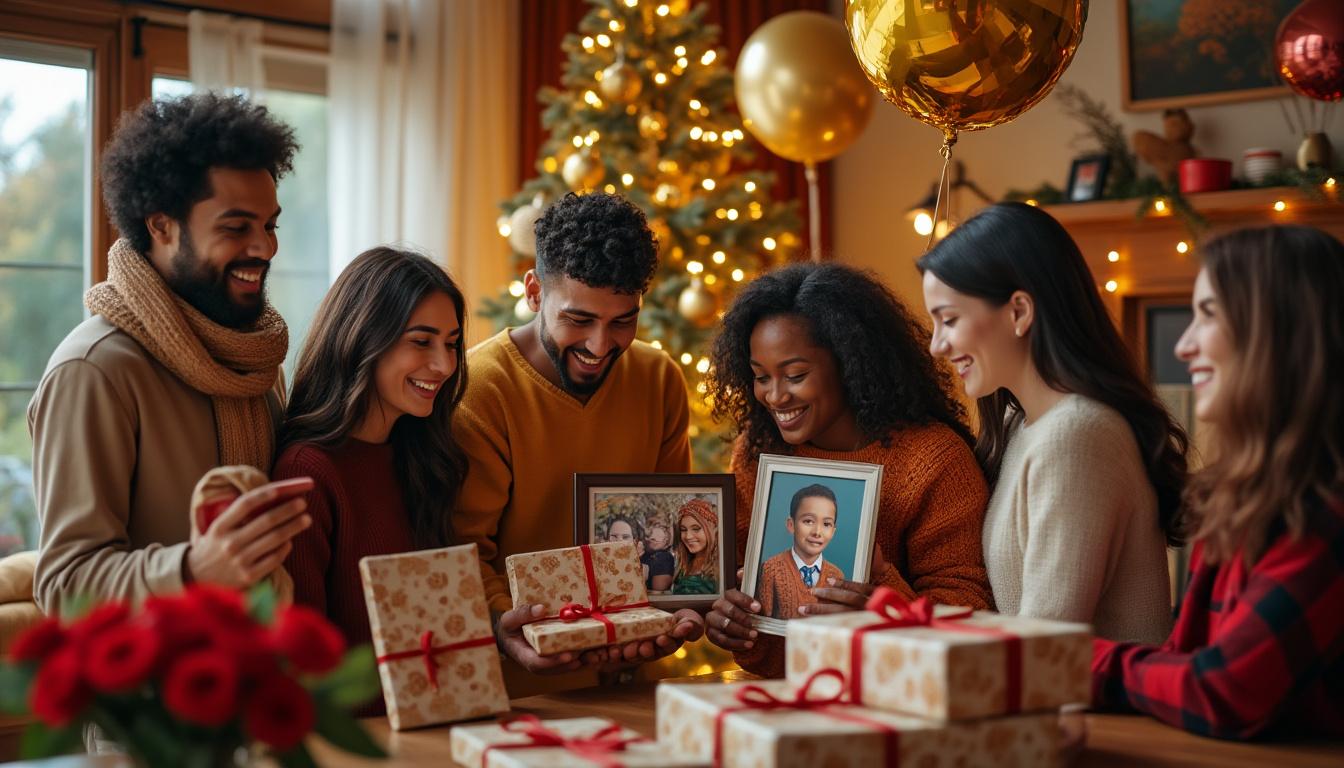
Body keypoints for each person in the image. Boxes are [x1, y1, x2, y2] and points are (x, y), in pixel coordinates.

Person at [29, 93, 313, 616]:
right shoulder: (94, 371)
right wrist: (194, 570)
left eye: (270, 225)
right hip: (153, 693)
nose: (265, 248)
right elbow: (64, 588)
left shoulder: (254, 359)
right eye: (236, 227)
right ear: (161, 226)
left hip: (263, 676)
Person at [1092, 226, 1344, 739]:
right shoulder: (1239, 497)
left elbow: (1223, 690)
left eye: (1208, 314)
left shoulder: (1327, 512)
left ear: (1280, 334)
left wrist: (1079, 662)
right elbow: (1185, 659)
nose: (1183, 346)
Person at [451, 192, 702, 680]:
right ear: (534, 293)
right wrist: (509, 626)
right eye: (578, 320)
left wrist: (679, 607)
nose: (600, 345)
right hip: (524, 689)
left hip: (633, 680)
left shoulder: (658, 377)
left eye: (622, 321)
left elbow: (670, 527)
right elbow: (462, 552)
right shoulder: (480, 390)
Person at [704, 262, 992, 677]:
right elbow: (762, 620)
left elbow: (969, 617)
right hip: (795, 699)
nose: (775, 396)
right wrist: (737, 624)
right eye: (760, 377)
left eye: (796, 375)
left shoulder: (933, 460)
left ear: (850, 362)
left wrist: (880, 604)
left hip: (911, 696)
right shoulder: (757, 452)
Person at [919, 202, 1187, 645]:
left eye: (948, 320)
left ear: (1019, 312)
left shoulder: (1076, 434)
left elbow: (1042, 646)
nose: (936, 346)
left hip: (1104, 713)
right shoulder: (1018, 424)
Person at [273, 247, 467, 646]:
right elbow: (301, 654)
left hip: (441, 706)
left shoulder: (420, 456)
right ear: (363, 339)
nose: (445, 365)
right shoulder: (307, 472)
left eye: (451, 343)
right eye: (421, 341)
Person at [755, 484, 844, 620]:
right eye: (808, 521)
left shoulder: (837, 576)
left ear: (833, 531)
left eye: (826, 524)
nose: (817, 532)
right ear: (791, 525)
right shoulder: (771, 569)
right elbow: (762, 623)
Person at [671, 498, 718, 595]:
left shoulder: (722, 569)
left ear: (713, 530)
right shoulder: (681, 566)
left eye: (696, 529)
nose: (688, 536)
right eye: (683, 530)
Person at [641, 514, 675, 592]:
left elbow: (659, 590)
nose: (654, 536)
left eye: (661, 529)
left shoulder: (663, 557)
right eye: (651, 529)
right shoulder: (645, 555)